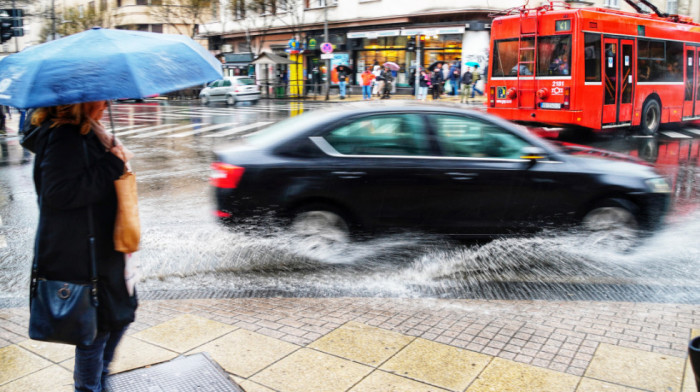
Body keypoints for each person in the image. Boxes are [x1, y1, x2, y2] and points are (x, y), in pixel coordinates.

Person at [28, 101, 138, 392]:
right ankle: (90, 387)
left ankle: (100, 380)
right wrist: (112, 163)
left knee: (120, 315)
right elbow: (58, 193)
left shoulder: (88, 132)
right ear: (83, 101)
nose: (106, 104)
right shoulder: (64, 136)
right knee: (98, 328)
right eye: (101, 99)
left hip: (102, 246)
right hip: (83, 252)